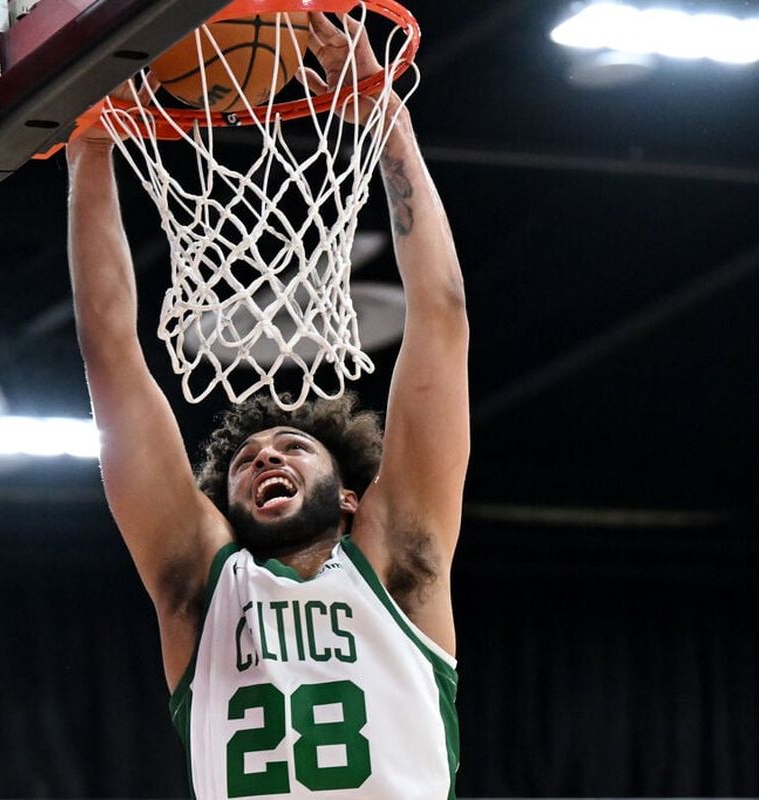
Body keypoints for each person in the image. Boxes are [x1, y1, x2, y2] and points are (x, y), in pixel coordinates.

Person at [66, 11, 468, 799]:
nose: (265, 458)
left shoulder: (400, 564)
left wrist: (386, 116)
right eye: (249, 460)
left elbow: (443, 316)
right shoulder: (200, 584)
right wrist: (90, 148)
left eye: (289, 449)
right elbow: (111, 355)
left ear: (352, 496)